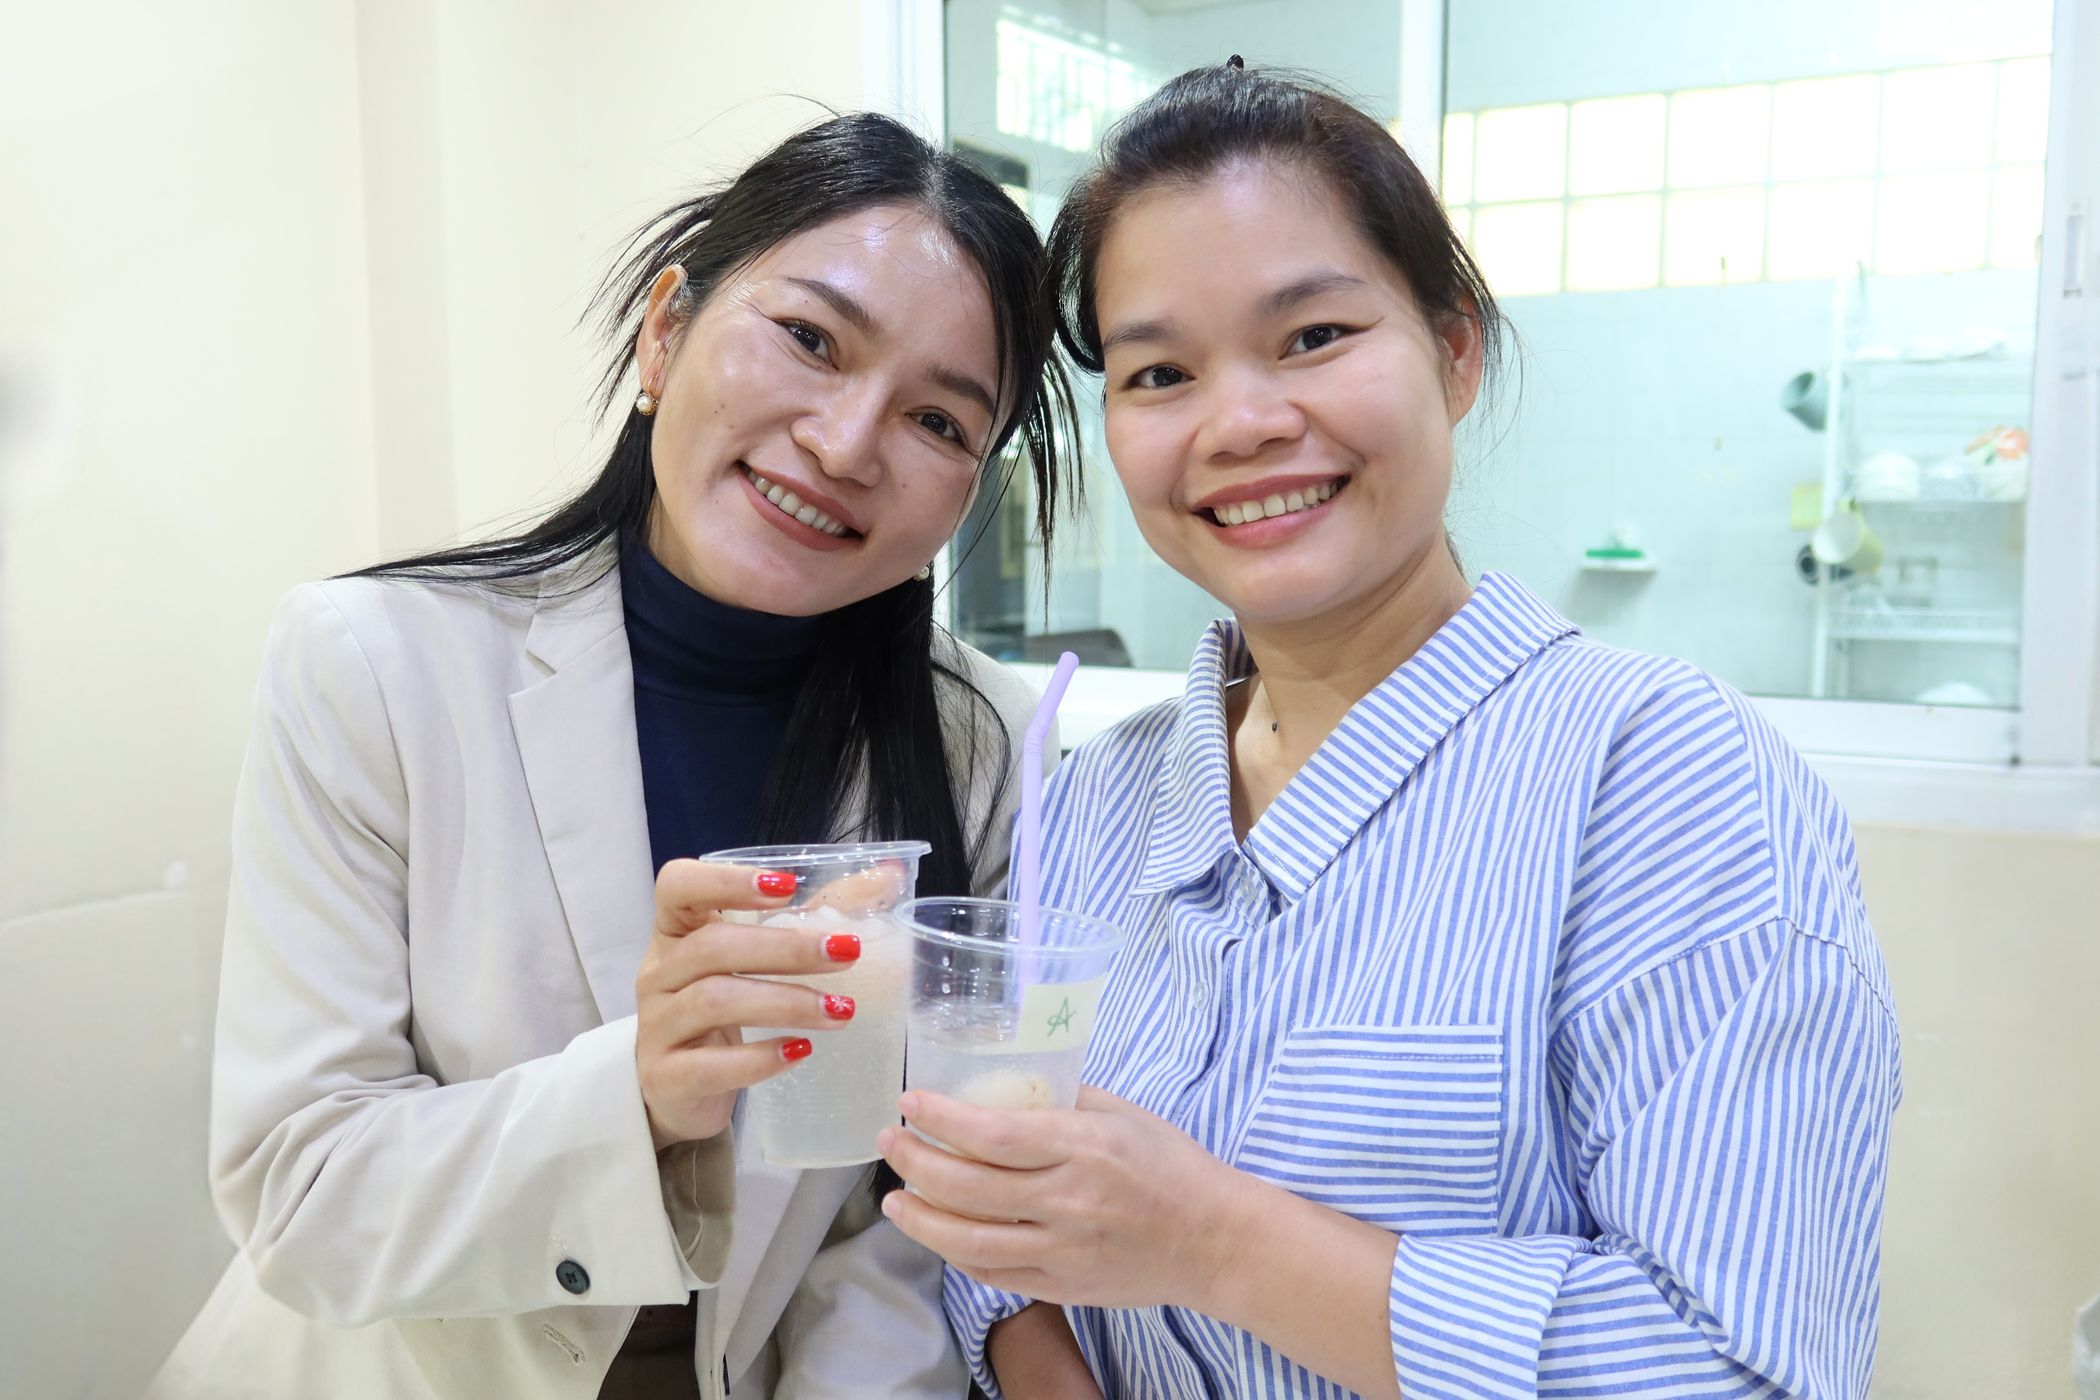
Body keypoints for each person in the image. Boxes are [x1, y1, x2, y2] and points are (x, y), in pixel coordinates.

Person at [879, 63, 1902, 1400]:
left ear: (1455, 350)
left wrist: (1209, 1239)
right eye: (1161, 371)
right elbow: (1004, 1219)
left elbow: (1737, 1363)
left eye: (1312, 337)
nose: (1241, 424)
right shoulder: (1100, 795)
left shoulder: (1663, 782)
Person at [147, 111, 1075, 1400]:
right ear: (663, 332)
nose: (847, 442)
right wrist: (634, 1099)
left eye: (937, 420)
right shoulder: (375, 664)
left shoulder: (980, 747)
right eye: (810, 339)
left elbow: (892, 1217)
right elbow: (304, 1195)